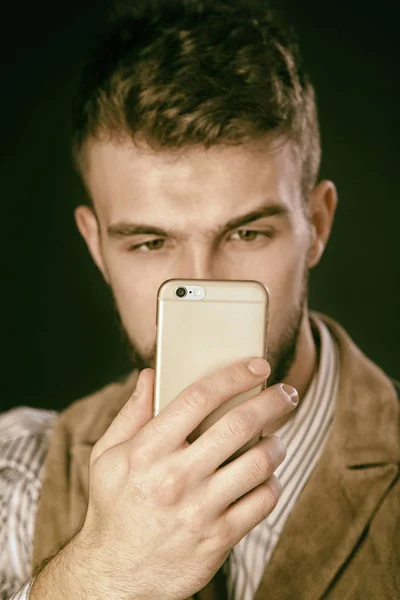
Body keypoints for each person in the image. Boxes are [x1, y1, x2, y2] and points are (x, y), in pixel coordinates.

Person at [1, 1, 399, 599]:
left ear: (316, 224)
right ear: (96, 245)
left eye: (247, 233)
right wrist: (98, 576)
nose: (202, 283)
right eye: (150, 242)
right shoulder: (19, 473)